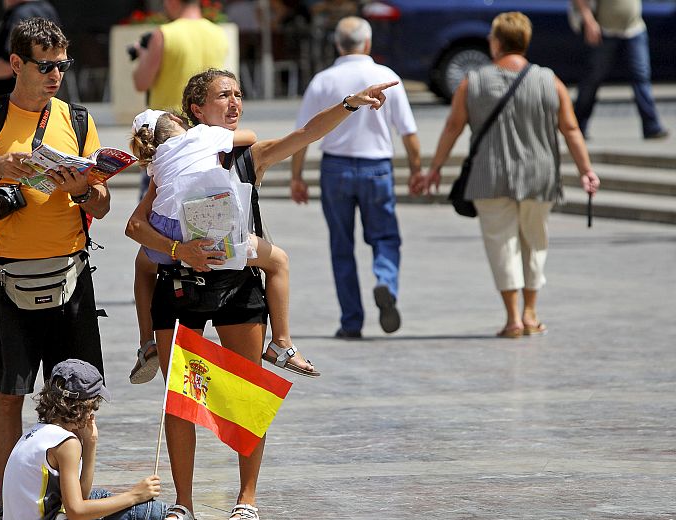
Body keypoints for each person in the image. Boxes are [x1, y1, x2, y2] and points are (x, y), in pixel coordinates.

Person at [126, 67, 397, 520]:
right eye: (222, 96)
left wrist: (350, 104)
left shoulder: (248, 157)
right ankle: (184, 504)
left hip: (236, 285)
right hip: (182, 286)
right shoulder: (175, 160)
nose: (234, 103)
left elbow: (306, 133)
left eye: (238, 94)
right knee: (179, 399)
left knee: (245, 395)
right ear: (196, 110)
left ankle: (246, 500)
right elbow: (136, 227)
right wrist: (179, 250)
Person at [0, 17, 110, 520]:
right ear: (16, 64)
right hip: (4, 278)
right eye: (45, 66)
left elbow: (102, 205)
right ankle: (9, 502)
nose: (56, 75)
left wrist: (83, 188)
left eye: (62, 65)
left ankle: (73, 504)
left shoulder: (78, 121)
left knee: (78, 395)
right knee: (7, 395)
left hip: (70, 277)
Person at [422, 12, 600, 337]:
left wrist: (435, 168)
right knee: (535, 240)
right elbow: (571, 128)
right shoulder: (550, 80)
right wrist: (586, 170)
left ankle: (513, 317)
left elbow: (452, 127)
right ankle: (531, 312)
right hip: (539, 175)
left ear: (497, 42)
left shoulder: (472, 82)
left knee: (501, 243)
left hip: (490, 176)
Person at [128, 109, 320, 377]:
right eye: (225, 95)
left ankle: (147, 342)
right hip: (209, 230)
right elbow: (251, 135)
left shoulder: (157, 160)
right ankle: (282, 342)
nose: (235, 104)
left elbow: (135, 225)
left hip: (166, 231)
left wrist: (176, 250)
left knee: (143, 264)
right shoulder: (202, 135)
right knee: (278, 261)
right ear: (182, 118)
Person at [290, 16, 423, 339]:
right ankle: (385, 281)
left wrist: (297, 176)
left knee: (341, 245)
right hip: (377, 167)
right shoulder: (387, 77)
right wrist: (416, 170)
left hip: (335, 169)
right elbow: (408, 131)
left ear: (338, 45)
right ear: (368, 43)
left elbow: (304, 133)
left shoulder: (323, 80)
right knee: (385, 237)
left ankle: (351, 321)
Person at [128, 0, 229, 384]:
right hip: (209, 147)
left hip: (166, 148)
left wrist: (142, 57)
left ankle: (148, 341)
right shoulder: (217, 33)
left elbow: (141, 82)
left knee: (146, 261)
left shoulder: (163, 35)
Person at [3, 359, 185, 520]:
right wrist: (134, 495)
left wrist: (90, 444)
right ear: (84, 405)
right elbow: (76, 512)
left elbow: (81, 496)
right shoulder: (66, 444)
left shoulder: (36, 433)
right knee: (153, 512)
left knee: (101, 496)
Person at [572, 0, 669, 140]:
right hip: (604, 31)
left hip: (634, 28)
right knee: (592, 79)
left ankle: (651, 126)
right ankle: (577, 127)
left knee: (641, 77)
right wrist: (589, 21)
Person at [0, 0, 60, 101]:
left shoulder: (21, 14)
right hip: (36, 99)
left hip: (12, 103)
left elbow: (9, 64)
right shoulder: (46, 9)